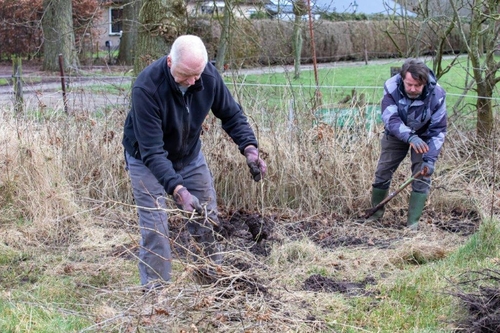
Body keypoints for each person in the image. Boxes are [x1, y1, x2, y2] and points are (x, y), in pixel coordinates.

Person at [122, 35, 267, 289]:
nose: (192, 82)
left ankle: (212, 282)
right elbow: (153, 153)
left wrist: (250, 149)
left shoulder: (207, 76)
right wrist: (179, 191)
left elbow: (231, 114)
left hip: (189, 155)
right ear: (169, 62)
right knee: (156, 229)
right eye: (185, 75)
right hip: (146, 161)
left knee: (206, 219)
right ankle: (157, 296)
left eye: (196, 75)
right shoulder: (147, 88)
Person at [368, 58, 447, 229]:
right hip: (396, 134)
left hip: (425, 136)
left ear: (424, 83)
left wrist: (430, 159)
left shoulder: (437, 95)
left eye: (417, 86)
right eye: (409, 84)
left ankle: (412, 224)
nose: (412, 89)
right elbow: (390, 118)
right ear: (402, 79)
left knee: (423, 175)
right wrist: (410, 137)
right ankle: (374, 217)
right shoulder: (391, 87)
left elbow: (438, 130)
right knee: (383, 171)